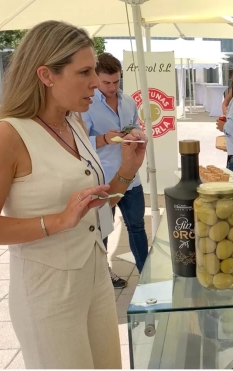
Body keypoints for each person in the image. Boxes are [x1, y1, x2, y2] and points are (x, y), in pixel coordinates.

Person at [0, 21, 147, 368]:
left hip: (95, 279)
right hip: (47, 291)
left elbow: (94, 207)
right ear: (46, 75)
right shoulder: (8, 134)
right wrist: (58, 221)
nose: (96, 82)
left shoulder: (74, 124)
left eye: (94, 70)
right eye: (84, 72)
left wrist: (126, 171)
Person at [83, 52, 149, 283]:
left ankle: (146, 276)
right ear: (96, 78)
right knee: (101, 231)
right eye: (106, 82)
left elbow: (135, 124)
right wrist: (103, 139)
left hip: (131, 178)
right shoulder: (86, 104)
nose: (112, 87)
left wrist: (137, 133)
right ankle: (103, 276)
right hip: (103, 180)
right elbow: (79, 142)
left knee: (137, 228)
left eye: (116, 81)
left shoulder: (128, 101)